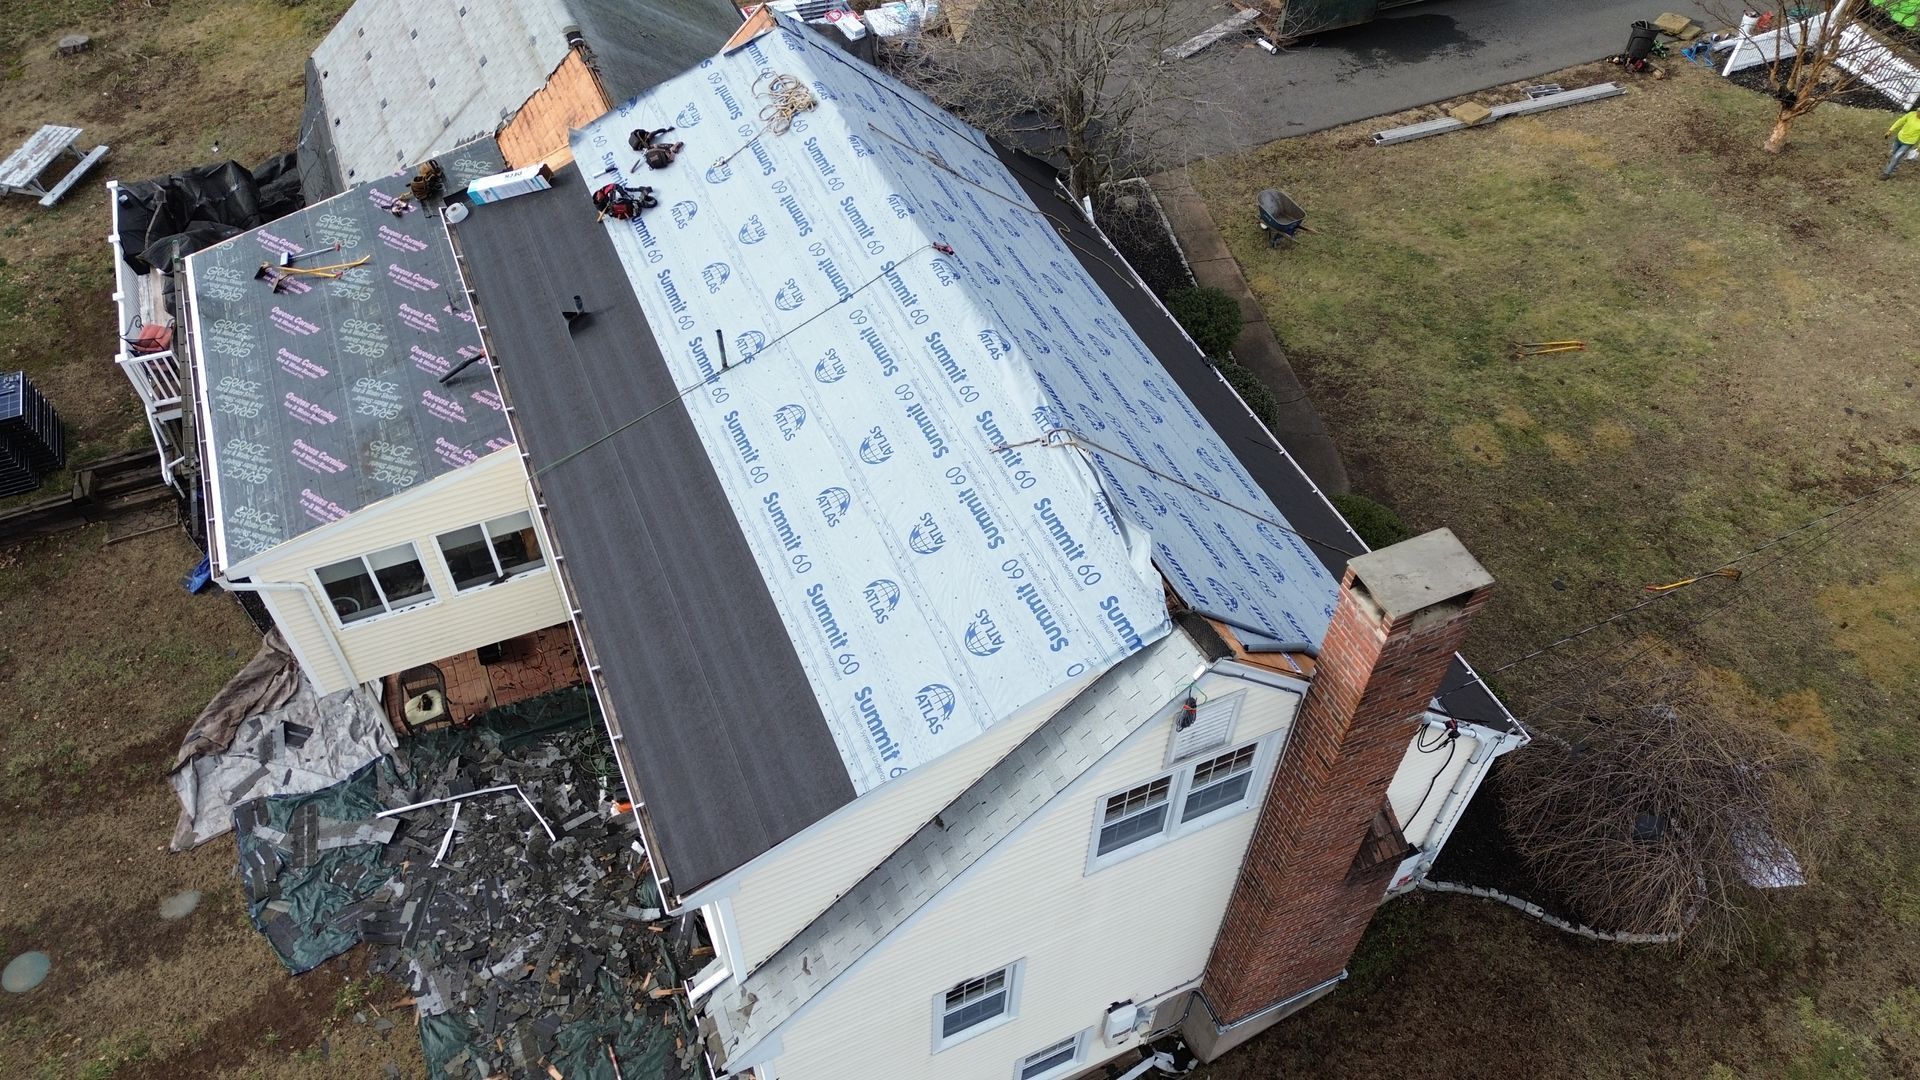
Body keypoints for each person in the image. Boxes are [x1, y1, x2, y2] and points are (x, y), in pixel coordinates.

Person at [1885, 107, 1920, 180]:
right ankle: (1893, 167)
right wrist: (1890, 130)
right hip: (1899, 138)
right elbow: (1900, 121)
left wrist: (1918, 148)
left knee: (1896, 157)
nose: (1918, 113)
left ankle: (1886, 173)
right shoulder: (1911, 114)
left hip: (1908, 143)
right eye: (1918, 111)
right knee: (1894, 154)